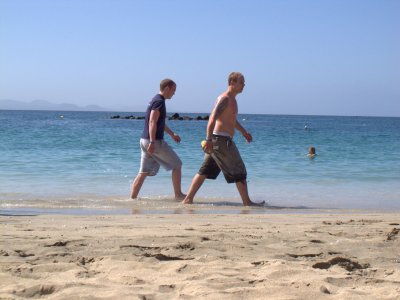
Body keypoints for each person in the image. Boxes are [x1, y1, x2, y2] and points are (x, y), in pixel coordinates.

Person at [182, 72, 264, 206]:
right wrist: (208, 139)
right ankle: (247, 202)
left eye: (244, 82)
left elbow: (232, 120)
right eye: (241, 82)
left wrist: (244, 132)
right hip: (220, 141)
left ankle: (188, 199)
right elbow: (212, 118)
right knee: (239, 169)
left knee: (206, 170)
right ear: (232, 83)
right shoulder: (225, 98)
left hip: (219, 140)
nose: (244, 85)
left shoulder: (232, 99)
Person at [131, 79, 185, 200]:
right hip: (153, 142)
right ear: (167, 88)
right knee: (177, 165)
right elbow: (152, 122)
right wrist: (152, 141)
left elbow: (159, 123)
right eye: (173, 90)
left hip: (144, 140)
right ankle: (178, 195)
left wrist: (172, 134)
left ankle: (132, 199)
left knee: (143, 172)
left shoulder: (154, 100)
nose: (174, 93)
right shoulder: (159, 102)